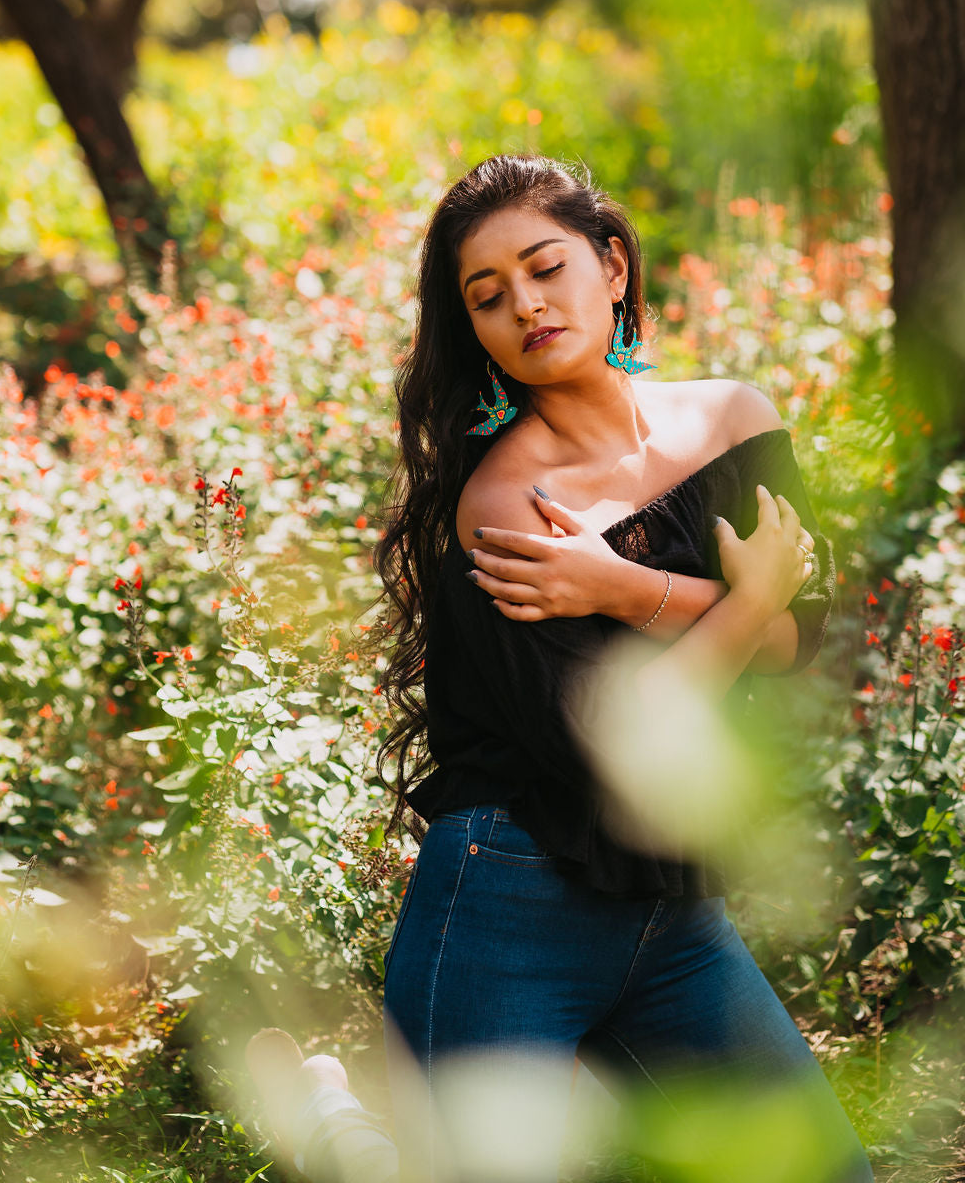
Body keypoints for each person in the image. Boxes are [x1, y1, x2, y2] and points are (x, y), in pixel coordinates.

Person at [367, 153, 874, 1183]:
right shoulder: (505, 508)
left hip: (667, 907)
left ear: (611, 265)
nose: (525, 305)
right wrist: (742, 600)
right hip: (509, 902)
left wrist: (620, 587)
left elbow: (797, 638)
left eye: (545, 267)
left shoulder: (736, 419)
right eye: (487, 296)